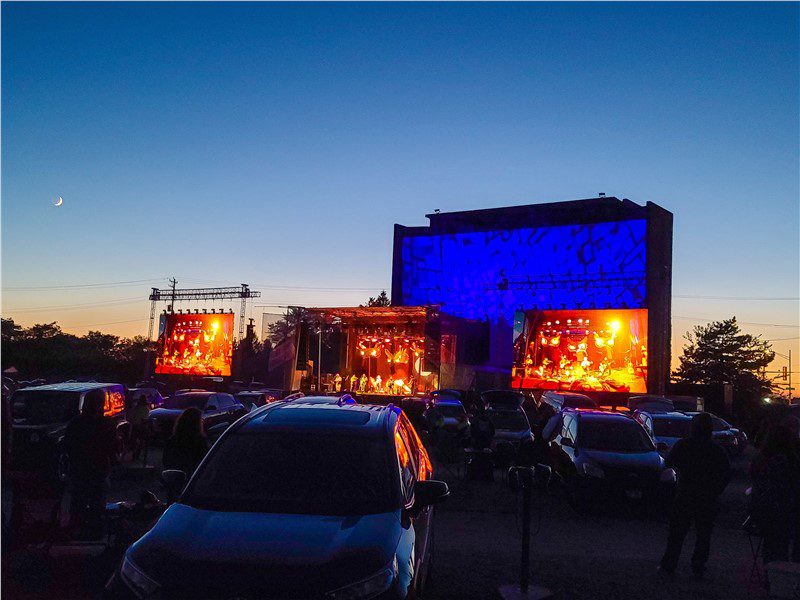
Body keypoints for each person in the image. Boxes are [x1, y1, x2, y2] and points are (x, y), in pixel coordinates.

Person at [659, 412, 731, 577]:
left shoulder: (684, 445)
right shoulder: (715, 450)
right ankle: (698, 566)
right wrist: (716, 490)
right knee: (703, 535)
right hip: (707, 498)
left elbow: (669, 463)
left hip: (686, 494)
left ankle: (669, 564)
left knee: (677, 533)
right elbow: (726, 473)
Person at [64, 389, 116, 534]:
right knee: (97, 507)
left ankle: (74, 531)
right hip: (99, 471)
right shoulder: (107, 424)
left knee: (78, 505)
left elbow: (68, 446)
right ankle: (94, 533)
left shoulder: (76, 423)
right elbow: (112, 448)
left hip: (79, 471)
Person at [749, 423, 800, 564]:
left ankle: (770, 575)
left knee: (770, 545)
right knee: (783, 546)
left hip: (764, 508)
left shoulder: (760, 459)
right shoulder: (791, 460)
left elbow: (754, 479)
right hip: (785, 509)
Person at [162, 407, 209, 476]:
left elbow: (166, 460)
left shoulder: (173, 439)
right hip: (192, 477)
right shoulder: (200, 441)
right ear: (197, 423)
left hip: (174, 476)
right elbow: (205, 461)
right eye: (201, 420)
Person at [127, 395, 150, 460]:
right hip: (142, 426)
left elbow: (129, 417)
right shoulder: (146, 409)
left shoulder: (135, 408)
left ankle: (134, 454)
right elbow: (146, 418)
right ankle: (138, 454)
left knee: (134, 441)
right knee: (141, 442)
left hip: (135, 426)